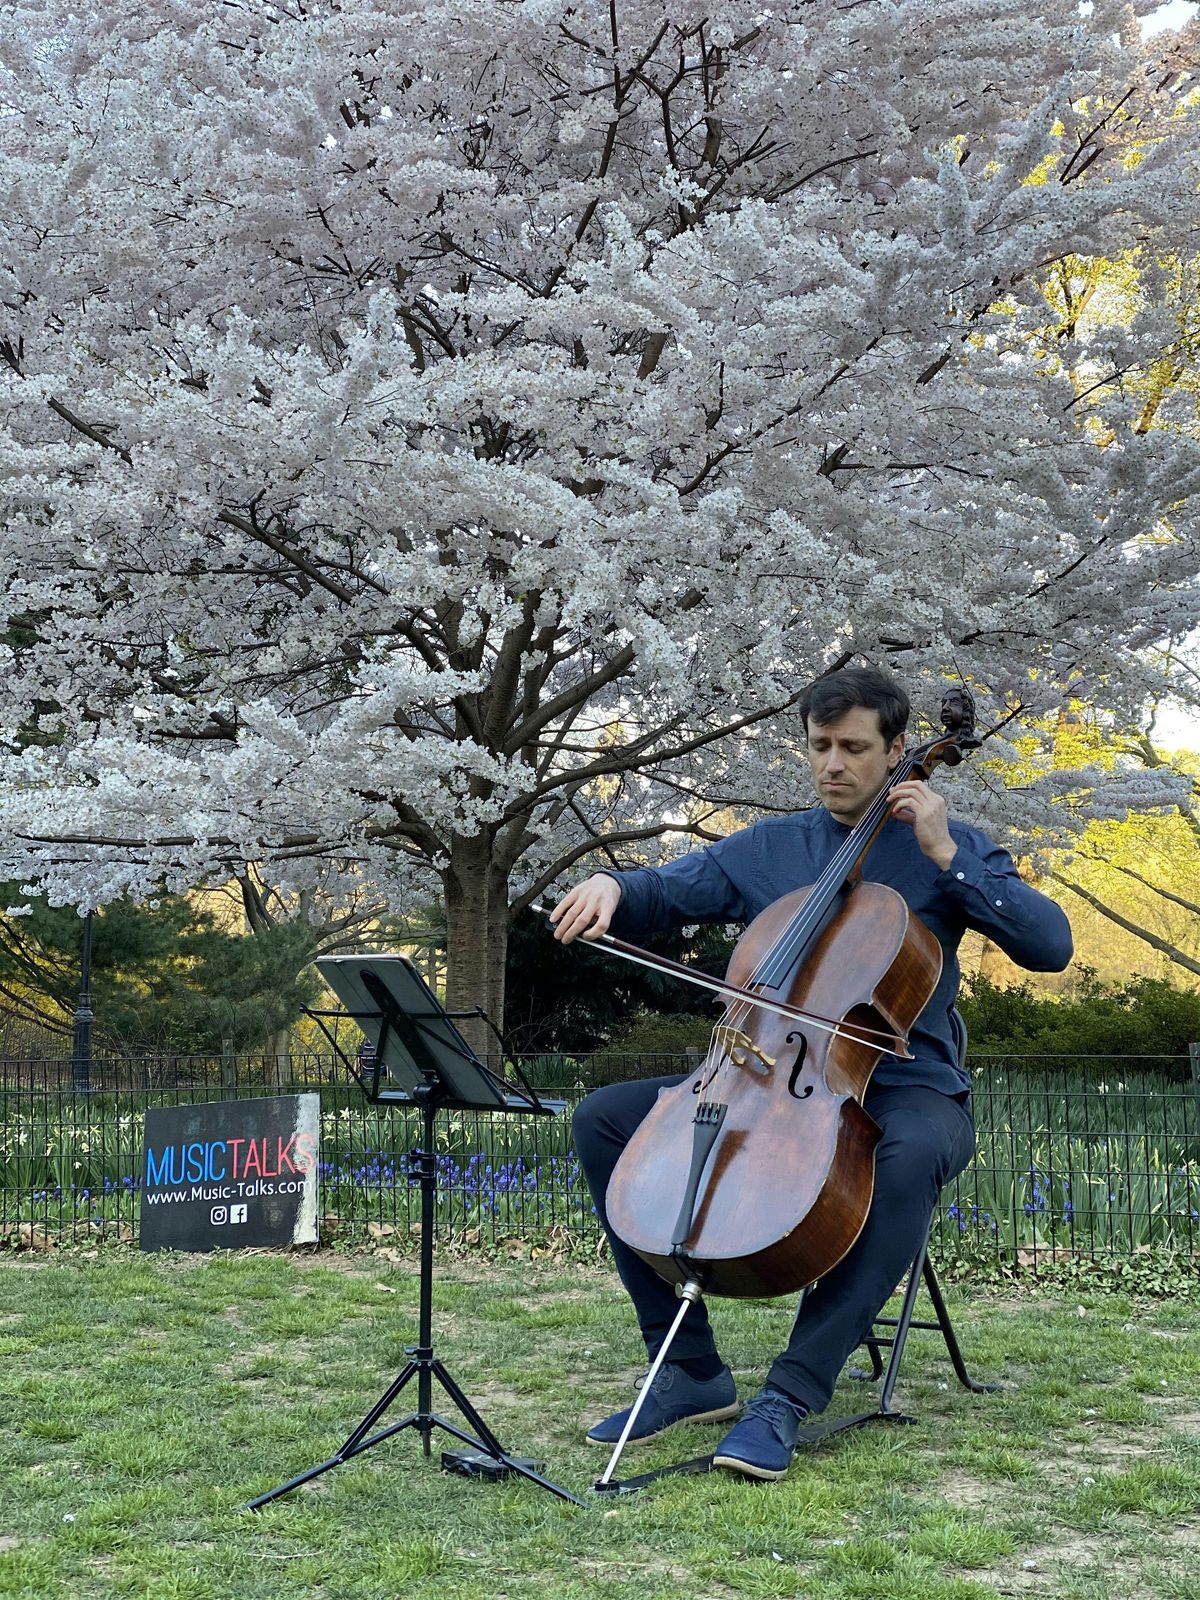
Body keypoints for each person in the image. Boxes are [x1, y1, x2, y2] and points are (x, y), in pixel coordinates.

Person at [550, 666, 1072, 1481]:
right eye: (820, 747)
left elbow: (1050, 948)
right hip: (770, 1074)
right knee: (604, 1120)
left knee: (906, 1158)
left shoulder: (951, 847)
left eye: (855, 748)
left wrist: (944, 853)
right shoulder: (772, 847)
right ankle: (689, 1371)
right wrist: (613, 882)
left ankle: (788, 1396)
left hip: (906, 1084)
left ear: (899, 751)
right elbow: (666, 890)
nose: (834, 764)